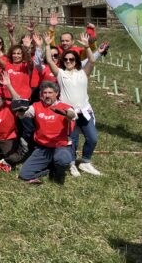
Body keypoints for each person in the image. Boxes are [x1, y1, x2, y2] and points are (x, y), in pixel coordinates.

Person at [43, 31, 101, 177]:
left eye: (72, 59)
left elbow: (92, 61)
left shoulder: (83, 73)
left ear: (76, 61)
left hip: (85, 111)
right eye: (66, 60)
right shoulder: (60, 74)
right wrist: (47, 45)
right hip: (69, 114)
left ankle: (86, 161)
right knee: (72, 141)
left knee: (92, 138)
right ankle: (71, 164)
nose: (68, 61)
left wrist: (87, 47)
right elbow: (50, 61)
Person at [17, 81, 76, 184]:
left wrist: (65, 113)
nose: (47, 95)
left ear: (56, 93)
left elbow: (72, 115)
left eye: (50, 92)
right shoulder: (36, 106)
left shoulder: (64, 106)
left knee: (62, 160)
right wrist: (21, 111)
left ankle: (58, 174)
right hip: (43, 148)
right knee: (24, 175)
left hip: (61, 146)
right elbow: (25, 113)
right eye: (45, 93)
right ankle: (50, 169)